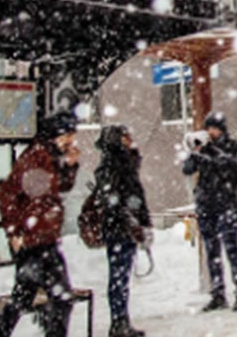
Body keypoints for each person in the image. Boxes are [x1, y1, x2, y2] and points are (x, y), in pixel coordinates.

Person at [0, 111, 81, 337]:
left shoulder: (48, 156)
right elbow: (8, 194)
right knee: (58, 298)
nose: (71, 142)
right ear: (56, 135)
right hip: (35, 241)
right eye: (68, 136)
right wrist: (15, 232)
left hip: (43, 238)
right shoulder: (36, 157)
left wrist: (70, 166)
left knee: (26, 296)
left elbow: (58, 188)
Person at [181, 112, 237, 312]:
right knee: (212, 252)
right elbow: (187, 169)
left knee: (232, 250)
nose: (212, 132)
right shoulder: (202, 149)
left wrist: (214, 154)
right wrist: (196, 152)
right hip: (206, 205)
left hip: (227, 204)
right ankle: (218, 293)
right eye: (209, 128)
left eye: (215, 128)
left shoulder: (233, 148)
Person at [92, 125, 152, 337]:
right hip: (120, 226)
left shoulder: (120, 163)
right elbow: (121, 197)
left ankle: (121, 320)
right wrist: (134, 218)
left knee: (121, 276)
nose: (130, 139)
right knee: (119, 276)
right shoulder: (114, 165)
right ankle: (118, 321)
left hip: (122, 225)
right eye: (126, 136)